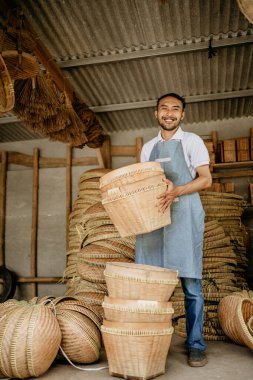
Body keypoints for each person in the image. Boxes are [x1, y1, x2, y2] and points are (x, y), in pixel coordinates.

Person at [135, 93, 212, 367]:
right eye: (164, 108)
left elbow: (205, 180)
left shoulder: (192, 141)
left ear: (183, 115)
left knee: (191, 285)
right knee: (152, 287)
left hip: (184, 214)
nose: (169, 113)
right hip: (155, 220)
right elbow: (144, 182)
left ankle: (195, 345)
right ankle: (153, 342)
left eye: (175, 109)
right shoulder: (148, 147)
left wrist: (178, 189)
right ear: (156, 113)